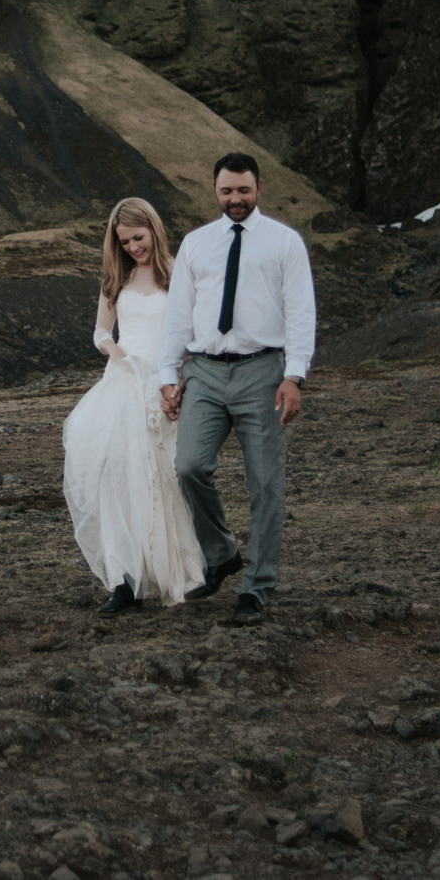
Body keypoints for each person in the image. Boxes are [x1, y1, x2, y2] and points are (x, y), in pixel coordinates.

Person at [158, 152, 316, 626]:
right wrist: (169, 374)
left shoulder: (285, 243)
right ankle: (221, 551)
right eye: (227, 191)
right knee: (189, 467)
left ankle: (258, 586)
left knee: (266, 485)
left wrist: (295, 375)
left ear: (259, 188)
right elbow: (179, 314)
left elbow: (301, 311)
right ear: (216, 191)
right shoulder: (196, 243)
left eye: (243, 190)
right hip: (204, 372)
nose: (235, 199)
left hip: (263, 372)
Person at [61, 197, 207, 614]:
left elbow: (192, 335)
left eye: (138, 238)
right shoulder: (116, 277)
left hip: (163, 386)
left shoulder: (178, 274)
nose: (132, 248)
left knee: (160, 476)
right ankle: (122, 579)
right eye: (124, 242)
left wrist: (177, 378)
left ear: (154, 230)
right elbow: (100, 331)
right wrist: (118, 354)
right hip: (123, 381)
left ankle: (168, 570)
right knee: (113, 477)